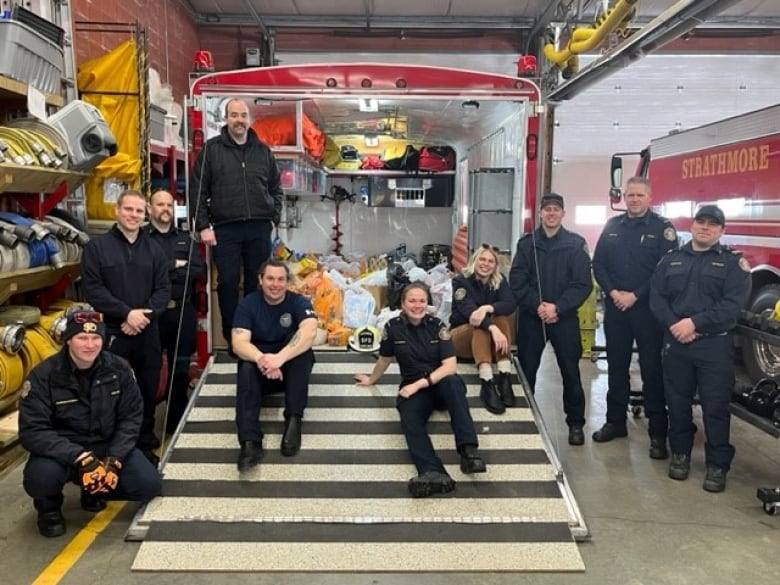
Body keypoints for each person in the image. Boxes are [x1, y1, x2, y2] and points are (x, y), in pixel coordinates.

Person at [18, 310, 162, 538]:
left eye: (96, 338)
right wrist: (79, 457)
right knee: (40, 478)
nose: (90, 344)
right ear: (68, 341)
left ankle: (95, 489)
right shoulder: (43, 376)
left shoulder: (119, 369)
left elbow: (131, 418)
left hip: (105, 445)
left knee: (149, 484)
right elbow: (33, 431)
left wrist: (114, 460)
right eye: (82, 338)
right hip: (63, 451)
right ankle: (49, 509)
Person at [650, 205, 750, 492]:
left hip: (714, 345)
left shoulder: (733, 264)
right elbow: (657, 297)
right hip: (676, 342)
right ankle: (680, 453)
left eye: (712, 224)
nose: (705, 227)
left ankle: (717, 465)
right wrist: (674, 325)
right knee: (678, 402)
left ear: (722, 230)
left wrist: (693, 323)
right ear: (692, 226)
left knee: (715, 406)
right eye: (701, 222)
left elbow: (732, 305)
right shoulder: (671, 259)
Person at [354, 282, 487, 498]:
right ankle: (432, 471)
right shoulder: (392, 327)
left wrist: (419, 384)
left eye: (422, 301)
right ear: (403, 304)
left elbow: (450, 366)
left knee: (453, 382)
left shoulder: (438, 325)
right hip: (414, 388)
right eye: (412, 301)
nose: (418, 305)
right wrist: (372, 379)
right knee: (409, 417)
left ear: (428, 303)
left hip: (438, 381)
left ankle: (469, 451)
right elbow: (385, 358)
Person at [591, 176, 678, 458]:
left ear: (650, 198)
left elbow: (664, 272)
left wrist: (635, 295)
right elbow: (599, 263)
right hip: (616, 308)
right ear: (624, 197)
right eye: (630, 195)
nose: (634, 199)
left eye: (640, 195)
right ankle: (615, 422)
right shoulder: (613, 226)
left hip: (647, 310)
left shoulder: (663, 229)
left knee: (652, 370)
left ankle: (657, 433)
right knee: (616, 366)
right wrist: (613, 292)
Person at [81, 189, 170, 463]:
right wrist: (126, 314)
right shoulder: (96, 248)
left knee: (146, 390)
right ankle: (111, 448)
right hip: (112, 332)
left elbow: (163, 290)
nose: (134, 215)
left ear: (146, 215)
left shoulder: (155, 250)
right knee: (110, 392)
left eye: (139, 211)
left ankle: (143, 445)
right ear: (117, 211)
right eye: (129, 210)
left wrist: (142, 317)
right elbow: (92, 290)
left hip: (147, 331)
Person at [189, 97, 284, 353]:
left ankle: (256, 334)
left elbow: (276, 189)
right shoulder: (211, 150)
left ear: (249, 119)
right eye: (234, 115)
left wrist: (273, 217)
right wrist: (203, 226)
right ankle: (234, 338)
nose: (239, 120)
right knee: (228, 282)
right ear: (226, 118)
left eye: (243, 115)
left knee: (258, 282)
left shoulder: (263, 151)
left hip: (258, 227)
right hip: (225, 227)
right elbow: (197, 190)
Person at [509, 192, 593, 446]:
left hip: (564, 319)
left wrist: (557, 307)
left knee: (571, 373)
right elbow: (517, 281)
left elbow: (582, 284)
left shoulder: (576, 244)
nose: (552, 213)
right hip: (532, 320)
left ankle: (576, 424)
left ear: (563, 213)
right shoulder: (526, 245)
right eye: (547, 209)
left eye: (556, 209)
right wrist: (538, 306)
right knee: (527, 372)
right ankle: (525, 420)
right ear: (541, 213)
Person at [231, 259, 318, 471]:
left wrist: (280, 358)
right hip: (261, 368)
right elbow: (238, 343)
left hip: (288, 370)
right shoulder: (248, 304)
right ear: (260, 280)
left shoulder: (298, 303)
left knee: (302, 354)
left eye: (281, 279)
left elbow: (310, 332)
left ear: (287, 282)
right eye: (270, 278)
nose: (275, 284)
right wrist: (264, 360)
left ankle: (293, 422)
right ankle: (250, 443)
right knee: (246, 367)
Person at [145, 189, 205, 434]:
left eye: (169, 205)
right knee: (149, 369)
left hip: (182, 312)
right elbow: (142, 272)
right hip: (152, 315)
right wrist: (172, 266)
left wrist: (163, 272)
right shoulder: (140, 240)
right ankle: (145, 426)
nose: (165, 209)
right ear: (150, 209)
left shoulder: (186, 239)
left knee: (180, 370)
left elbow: (197, 270)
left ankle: (175, 423)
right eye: (160, 205)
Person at [450, 243, 517, 414]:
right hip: (460, 338)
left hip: (485, 343)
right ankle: (486, 381)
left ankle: (504, 375)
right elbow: (470, 314)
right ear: (475, 259)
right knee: (480, 325)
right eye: (482, 259)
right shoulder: (461, 281)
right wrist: (493, 328)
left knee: (500, 316)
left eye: (490, 261)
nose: (486, 264)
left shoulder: (500, 280)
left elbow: (510, 304)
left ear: (495, 266)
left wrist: (488, 308)